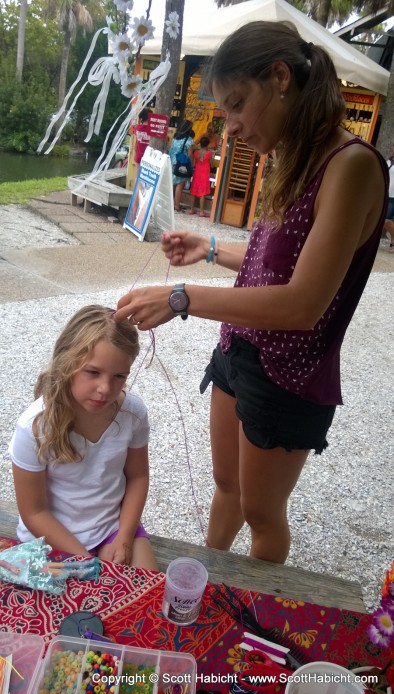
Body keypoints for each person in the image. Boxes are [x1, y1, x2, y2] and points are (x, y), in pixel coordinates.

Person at [114, 21, 388, 564]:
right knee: (226, 483)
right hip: (240, 348)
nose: (233, 127)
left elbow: (302, 302)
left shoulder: (351, 166)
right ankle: (207, 571)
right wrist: (210, 248)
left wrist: (180, 297)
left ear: (280, 78)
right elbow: (275, 264)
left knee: (263, 515)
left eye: (237, 105)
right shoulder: (295, 158)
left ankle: (255, 609)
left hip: (289, 373)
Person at [9, 305, 157, 570]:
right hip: (49, 537)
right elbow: (34, 512)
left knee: (148, 596)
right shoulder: (34, 427)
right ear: (67, 362)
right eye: (93, 372)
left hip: (112, 527)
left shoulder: (133, 414)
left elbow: (138, 476)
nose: (104, 389)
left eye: (119, 377)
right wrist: (86, 560)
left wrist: (123, 538)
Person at [169, 120, 194, 212]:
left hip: (172, 162)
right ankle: (176, 205)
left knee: (173, 183)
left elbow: (170, 149)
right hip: (182, 164)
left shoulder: (175, 137)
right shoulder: (189, 140)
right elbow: (190, 154)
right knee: (180, 184)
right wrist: (192, 165)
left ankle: (170, 203)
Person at [188, 136, 213, 217]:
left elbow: (194, 164)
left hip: (197, 173)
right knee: (203, 193)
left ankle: (192, 209)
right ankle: (201, 211)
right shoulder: (209, 153)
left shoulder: (196, 153)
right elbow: (212, 164)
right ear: (207, 144)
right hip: (205, 174)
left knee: (193, 191)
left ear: (200, 144)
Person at [383, 144, 394, 251]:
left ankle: (393, 239)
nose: (392, 150)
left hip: (393, 196)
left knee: (386, 220)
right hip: (385, 194)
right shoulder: (388, 162)